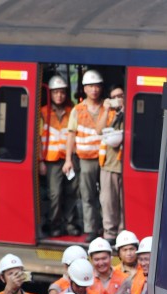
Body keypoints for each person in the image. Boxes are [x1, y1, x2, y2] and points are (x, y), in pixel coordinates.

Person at [63, 70, 114, 240]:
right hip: (85, 159)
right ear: (84, 89)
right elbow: (71, 135)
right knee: (87, 195)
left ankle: (106, 228)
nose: (94, 90)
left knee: (106, 196)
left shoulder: (107, 108)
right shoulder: (77, 110)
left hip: (106, 158)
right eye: (90, 86)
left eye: (97, 86)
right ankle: (91, 229)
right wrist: (68, 159)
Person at [39, 75, 78, 237]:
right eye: (55, 92)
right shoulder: (43, 112)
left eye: (62, 92)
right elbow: (37, 138)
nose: (59, 96)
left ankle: (70, 224)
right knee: (55, 194)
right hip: (51, 160)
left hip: (71, 158)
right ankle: (54, 224)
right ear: (50, 94)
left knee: (72, 192)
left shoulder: (73, 111)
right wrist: (40, 161)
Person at [98, 86, 125, 241]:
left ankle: (122, 233)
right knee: (108, 201)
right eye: (114, 96)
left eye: (120, 95)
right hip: (109, 165)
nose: (117, 99)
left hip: (125, 166)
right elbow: (99, 130)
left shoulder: (129, 111)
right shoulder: (109, 113)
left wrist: (125, 108)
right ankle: (109, 233)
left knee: (123, 203)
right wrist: (107, 109)